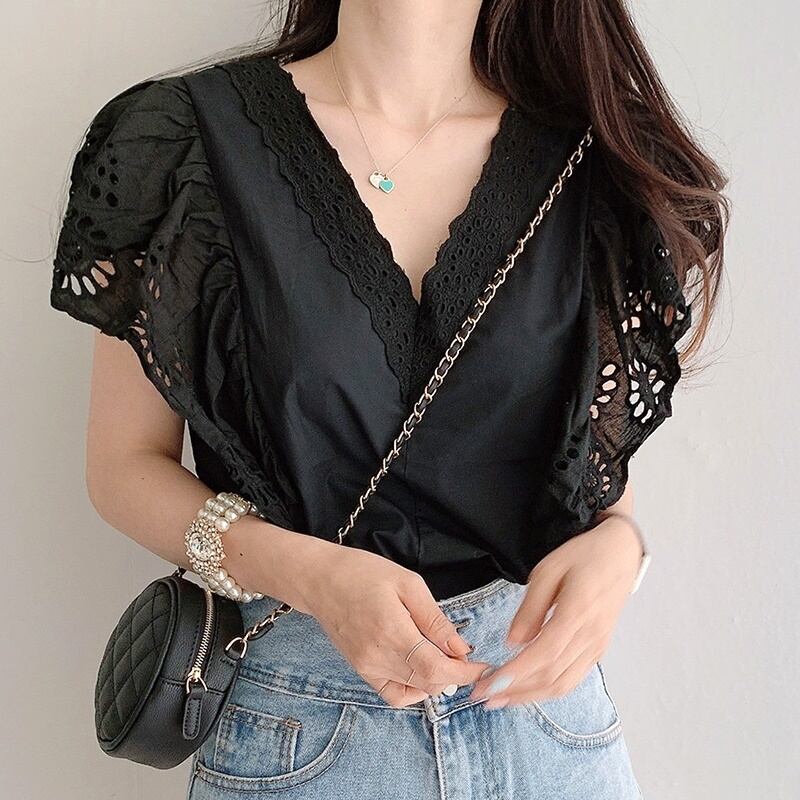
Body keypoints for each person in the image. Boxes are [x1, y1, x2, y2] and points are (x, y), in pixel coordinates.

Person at [49, 1, 728, 798]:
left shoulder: (591, 157)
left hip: (544, 731)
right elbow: (123, 467)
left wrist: (620, 554)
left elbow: (596, 482)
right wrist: (310, 575)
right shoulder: (182, 141)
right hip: (299, 727)